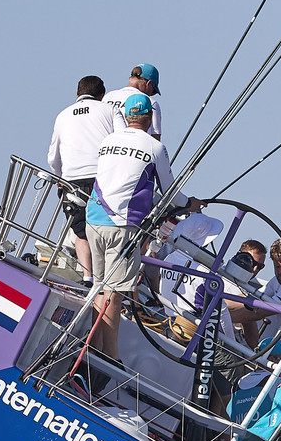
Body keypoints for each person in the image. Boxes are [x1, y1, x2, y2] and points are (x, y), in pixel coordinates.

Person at [84, 93, 202, 365]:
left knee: (99, 288)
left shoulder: (108, 141)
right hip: (122, 227)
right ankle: (109, 356)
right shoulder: (154, 147)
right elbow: (172, 194)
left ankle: (91, 345)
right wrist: (192, 204)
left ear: (126, 116)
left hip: (93, 219)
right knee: (115, 292)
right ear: (149, 118)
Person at [46, 75, 108, 282]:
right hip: (103, 178)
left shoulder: (62, 116)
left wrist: (59, 178)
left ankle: (87, 277)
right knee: (105, 228)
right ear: (102, 95)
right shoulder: (108, 110)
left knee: (80, 231)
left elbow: (53, 157)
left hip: (72, 180)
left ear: (77, 94)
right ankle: (104, 277)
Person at [104, 64, 163, 140]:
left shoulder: (108, 97)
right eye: (153, 90)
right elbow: (155, 139)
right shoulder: (151, 103)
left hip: (106, 149)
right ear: (149, 83)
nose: (151, 94)